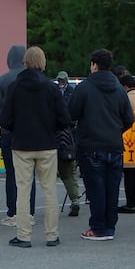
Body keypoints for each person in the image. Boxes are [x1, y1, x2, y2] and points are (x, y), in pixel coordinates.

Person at [0, 47, 71, 248]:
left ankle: (23, 235)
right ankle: (51, 235)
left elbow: (4, 119)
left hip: (22, 145)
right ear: (43, 62)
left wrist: (17, 128)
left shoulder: (14, 87)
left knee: (23, 190)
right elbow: (64, 119)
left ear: (25, 62)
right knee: (49, 191)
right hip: (47, 144)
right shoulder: (51, 88)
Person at [68, 49, 134, 241]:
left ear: (94, 65)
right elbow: (128, 118)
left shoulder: (84, 88)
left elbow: (71, 114)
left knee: (96, 188)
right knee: (112, 188)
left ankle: (98, 227)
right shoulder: (119, 89)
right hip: (114, 144)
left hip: (91, 144)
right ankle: (109, 225)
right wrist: (115, 130)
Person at [0, 45, 36, 227]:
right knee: (29, 175)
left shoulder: (2, 81)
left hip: (9, 133)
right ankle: (29, 212)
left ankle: (13, 212)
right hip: (32, 133)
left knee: (12, 174)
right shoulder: (36, 79)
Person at [117, 74, 135, 214]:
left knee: (129, 175)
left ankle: (130, 203)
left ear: (125, 86)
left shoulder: (125, 98)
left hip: (128, 140)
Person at [55, 70, 80, 217]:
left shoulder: (71, 92)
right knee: (69, 173)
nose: (61, 82)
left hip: (60, 137)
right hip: (67, 137)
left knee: (66, 173)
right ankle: (74, 199)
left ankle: (74, 200)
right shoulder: (59, 92)